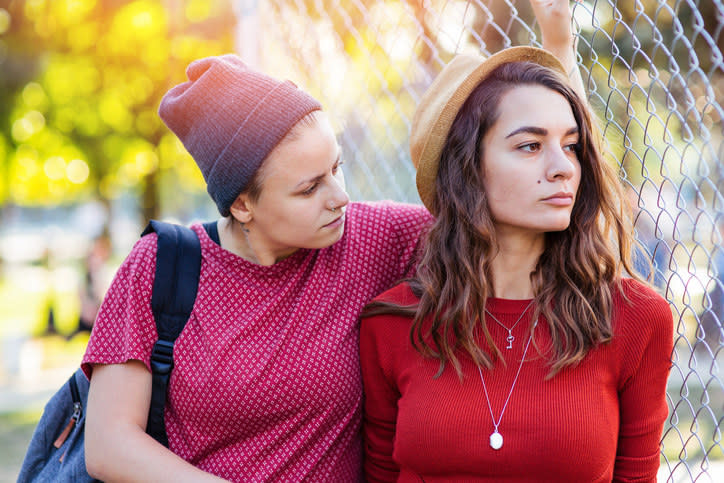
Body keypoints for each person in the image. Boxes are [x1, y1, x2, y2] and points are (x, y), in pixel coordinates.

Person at [81, 1, 582, 481]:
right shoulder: (162, 266)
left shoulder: (376, 239)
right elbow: (109, 445)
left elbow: (521, 207)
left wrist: (557, 49)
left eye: (337, 167)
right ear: (241, 205)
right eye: (308, 188)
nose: (340, 196)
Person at [359, 14, 674, 483]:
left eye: (571, 146)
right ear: (466, 169)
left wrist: (560, 39)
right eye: (529, 146)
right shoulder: (392, 324)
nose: (563, 167)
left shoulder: (634, 319)